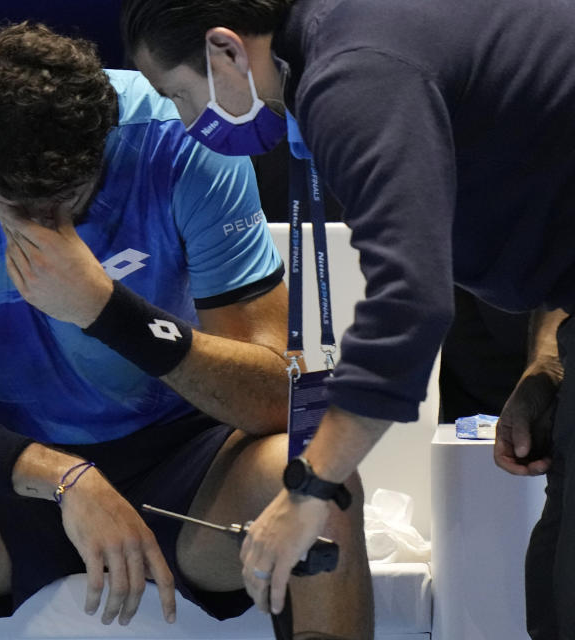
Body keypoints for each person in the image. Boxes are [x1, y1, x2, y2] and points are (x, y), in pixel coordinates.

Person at [0, 21, 372, 640]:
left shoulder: (178, 136)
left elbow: (278, 397)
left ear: (104, 146)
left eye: (69, 198)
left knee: (319, 472)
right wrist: (62, 477)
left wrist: (105, 310)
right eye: (16, 203)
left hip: (182, 474)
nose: (46, 226)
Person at [121, 0, 575, 636]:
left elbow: (409, 304)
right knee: (556, 598)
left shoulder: (353, 74)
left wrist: (309, 490)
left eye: (179, 94)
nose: (186, 119)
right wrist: (553, 361)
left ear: (225, 50)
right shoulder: (350, 33)